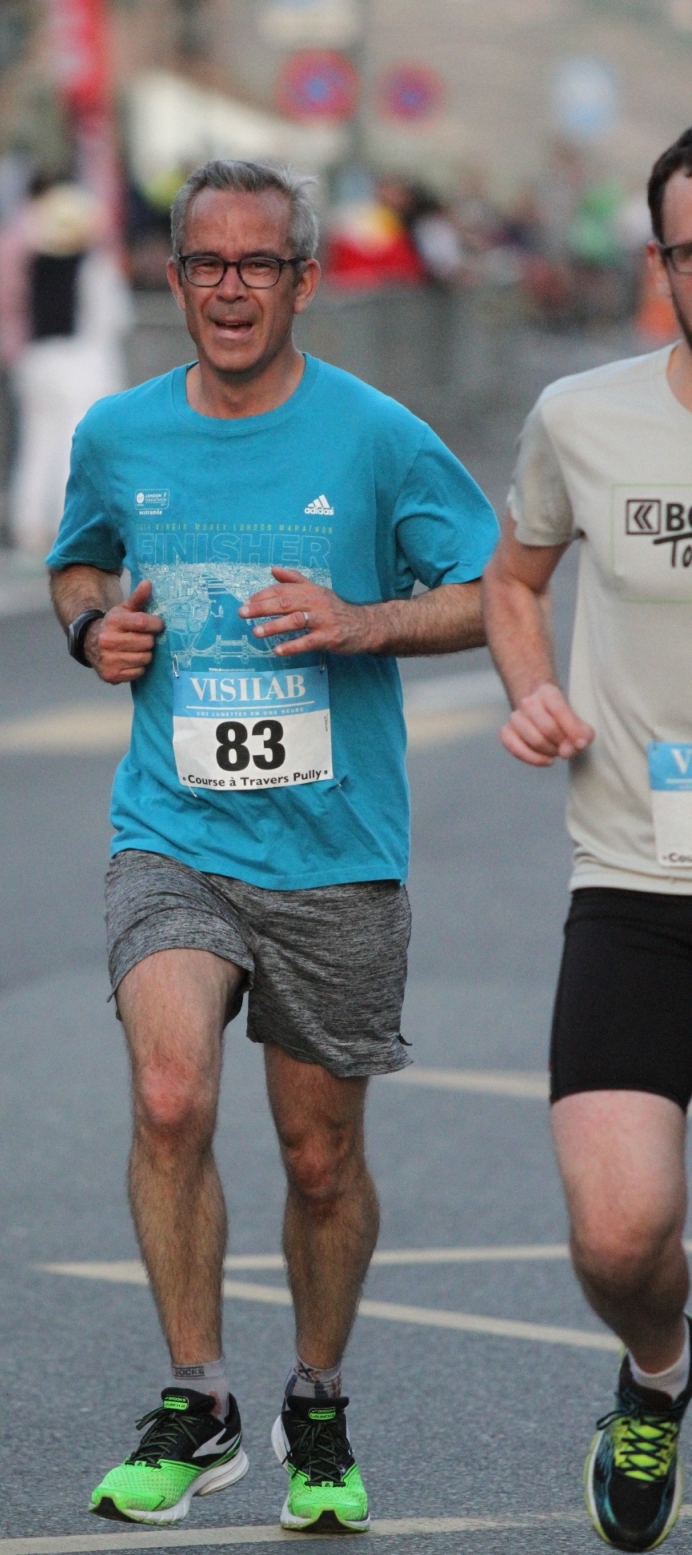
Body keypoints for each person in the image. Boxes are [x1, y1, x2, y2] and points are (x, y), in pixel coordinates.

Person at [47, 158, 499, 1532]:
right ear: (173, 276)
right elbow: (76, 559)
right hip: (172, 830)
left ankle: (317, 1400)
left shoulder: (375, 437)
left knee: (318, 1157)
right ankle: (197, 1399)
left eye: (258, 264)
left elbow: (493, 590)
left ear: (305, 280)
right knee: (168, 1094)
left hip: (334, 847)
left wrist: (364, 621)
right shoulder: (119, 431)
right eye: (207, 263)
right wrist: (92, 627)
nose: (230, 289)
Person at [482, 127, 692, 1554]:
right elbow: (514, 579)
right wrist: (531, 685)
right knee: (617, 1237)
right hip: (633, 876)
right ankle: (656, 1374)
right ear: (661, 261)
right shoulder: (581, 416)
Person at [0, 178, 133, 556]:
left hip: (36, 362)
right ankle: (65, 525)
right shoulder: (95, 267)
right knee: (74, 449)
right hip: (81, 365)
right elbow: (113, 319)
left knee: (36, 446)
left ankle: (29, 525)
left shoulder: (34, 265)